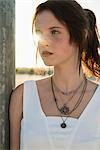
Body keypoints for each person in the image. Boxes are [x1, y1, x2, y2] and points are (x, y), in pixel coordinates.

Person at [9, 0, 100, 150]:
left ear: (82, 35)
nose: (43, 42)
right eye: (39, 33)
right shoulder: (23, 96)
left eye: (54, 32)